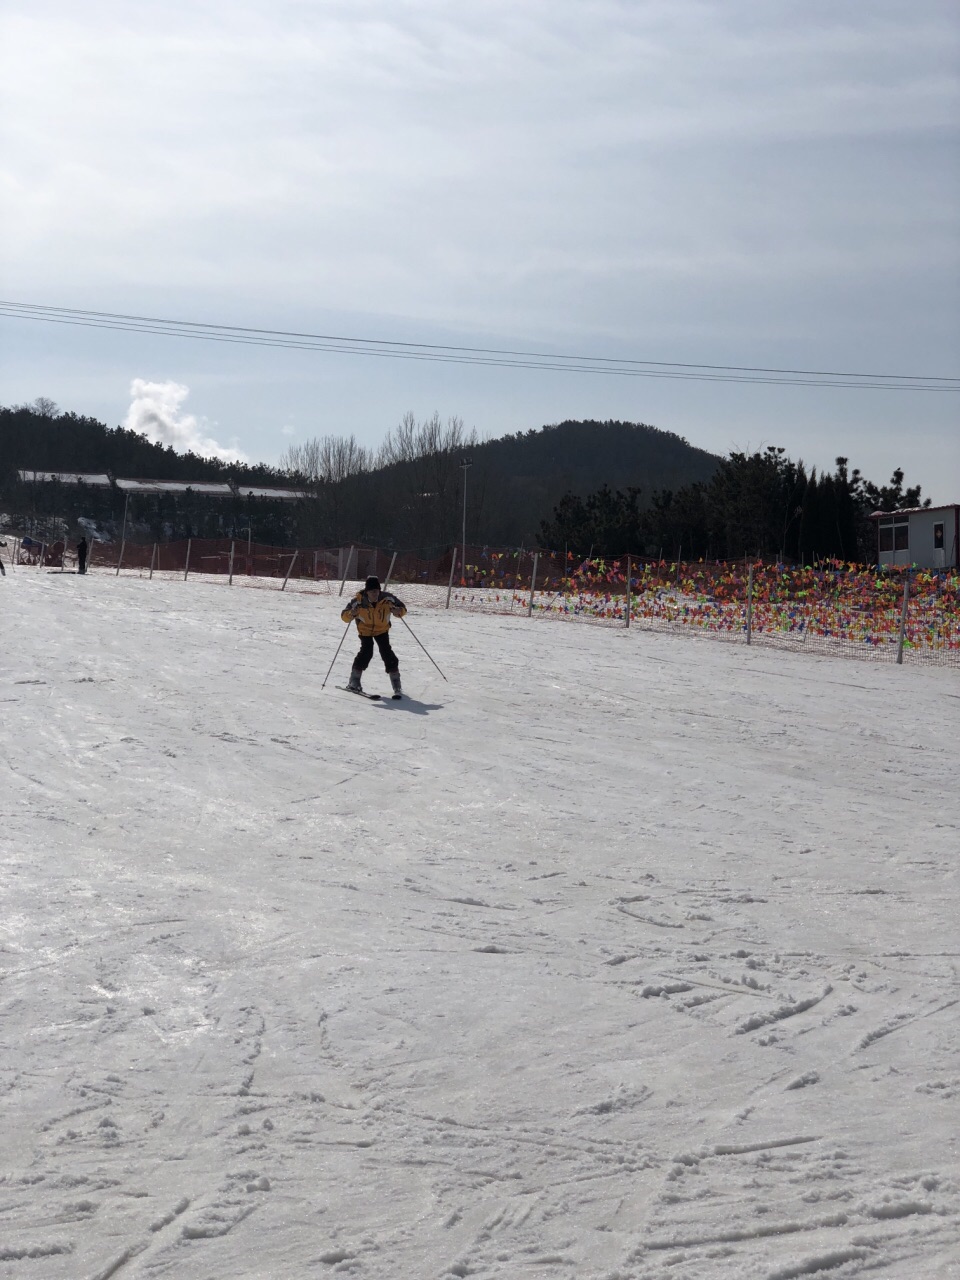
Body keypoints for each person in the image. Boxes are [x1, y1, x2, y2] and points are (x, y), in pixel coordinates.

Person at [340, 576, 407, 696]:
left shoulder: (388, 599)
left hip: (382, 630)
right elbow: (344, 616)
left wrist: (398, 611)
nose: (375, 594)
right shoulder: (358, 601)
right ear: (367, 591)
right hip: (365, 631)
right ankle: (354, 682)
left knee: (387, 653)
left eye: (376, 591)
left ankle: (397, 685)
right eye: (372, 591)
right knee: (366, 652)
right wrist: (351, 613)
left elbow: (403, 609)